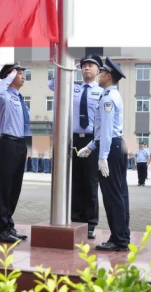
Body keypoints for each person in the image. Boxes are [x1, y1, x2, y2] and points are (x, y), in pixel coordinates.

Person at [49, 54, 104, 239]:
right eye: (84, 66)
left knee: (90, 182)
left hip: (91, 141)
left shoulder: (102, 91)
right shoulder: (73, 88)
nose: (86, 68)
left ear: (98, 70)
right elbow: (52, 85)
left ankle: (90, 223)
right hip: (73, 139)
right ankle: (75, 218)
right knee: (74, 181)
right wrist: (67, 68)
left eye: (90, 65)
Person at [78, 57, 129, 251]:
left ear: (108, 75)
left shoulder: (108, 98)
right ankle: (123, 235)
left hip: (111, 148)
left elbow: (107, 130)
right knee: (120, 193)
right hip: (115, 145)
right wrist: (91, 147)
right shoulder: (111, 95)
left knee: (112, 195)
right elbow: (104, 131)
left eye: (101, 72)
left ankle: (118, 240)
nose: (98, 74)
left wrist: (102, 156)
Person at [0, 63, 31, 243]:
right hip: (7, 144)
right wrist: (8, 76)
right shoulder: (5, 96)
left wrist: (26, 148)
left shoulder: (21, 99)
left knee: (14, 189)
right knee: (3, 188)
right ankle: (0, 229)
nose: (23, 76)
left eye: (23, 73)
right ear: (10, 75)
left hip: (20, 145)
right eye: (19, 73)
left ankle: (8, 226)